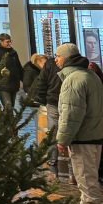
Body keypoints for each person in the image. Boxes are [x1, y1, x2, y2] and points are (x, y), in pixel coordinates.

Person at [55, 41, 103, 204]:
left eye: (57, 56)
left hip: (83, 138)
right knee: (88, 179)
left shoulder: (73, 80)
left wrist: (62, 140)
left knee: (87, 181)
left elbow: (71, 115)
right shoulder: (90, 76)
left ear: (66, 58)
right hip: (95, 136)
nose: (56, 60)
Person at [35, 50, 64, 178]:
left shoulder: (50, 64)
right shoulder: (74, 65)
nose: (56, 58)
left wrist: (42, 100)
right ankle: (72, 174)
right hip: (62, 102)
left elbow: (42, 82)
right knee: (70, 135)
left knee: (53, 134)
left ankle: (53, 168)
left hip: (53, 101)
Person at [0, 34, 23, 109]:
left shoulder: (13, 53)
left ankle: (8, 120)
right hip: (3, 85)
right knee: (8, 106)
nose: (9, 44)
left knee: (11, 106)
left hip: (14, 84)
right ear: (0, 41)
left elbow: (19, 68)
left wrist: (23, 80)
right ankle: (8, 119)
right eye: (7, 42)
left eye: (10, 41)